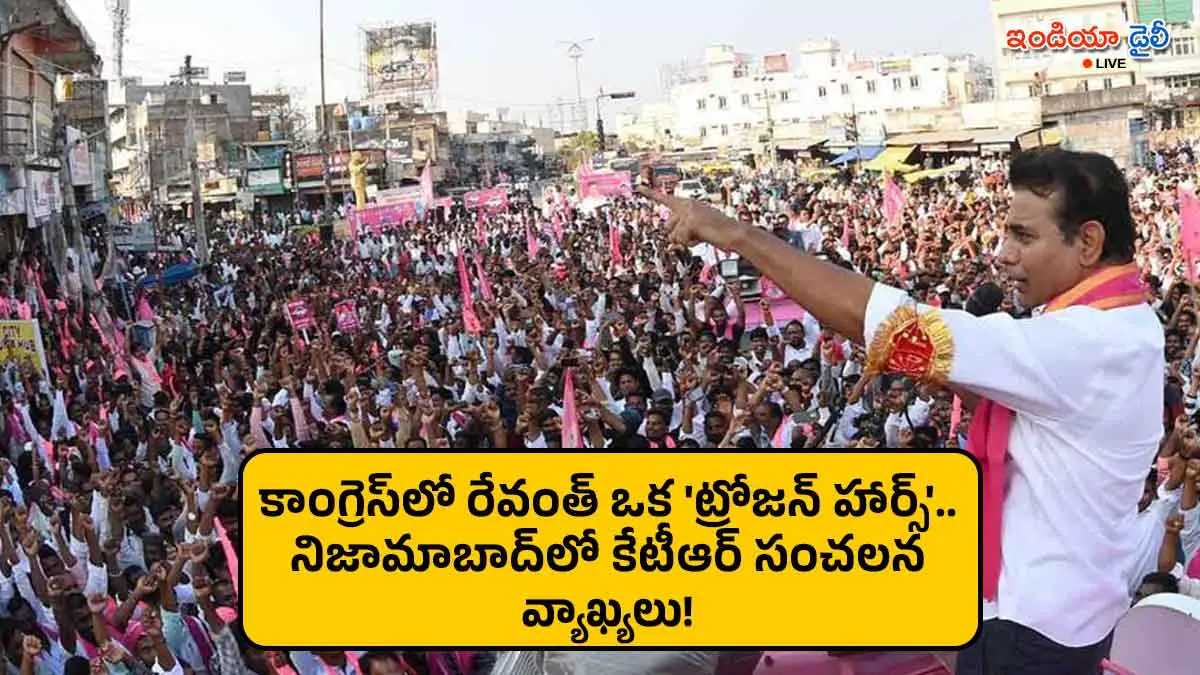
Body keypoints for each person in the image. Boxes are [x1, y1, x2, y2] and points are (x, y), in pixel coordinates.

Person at [640, 147, 1164, 675]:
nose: (1003, 254)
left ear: (1089, 241)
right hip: (1069, 620)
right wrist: (933, 366)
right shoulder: (1128, 324)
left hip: (1031, 636)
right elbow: (1037, 415)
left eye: (1023, 236)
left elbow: (892, 325)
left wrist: (735, 234)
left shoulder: (1083, 342)